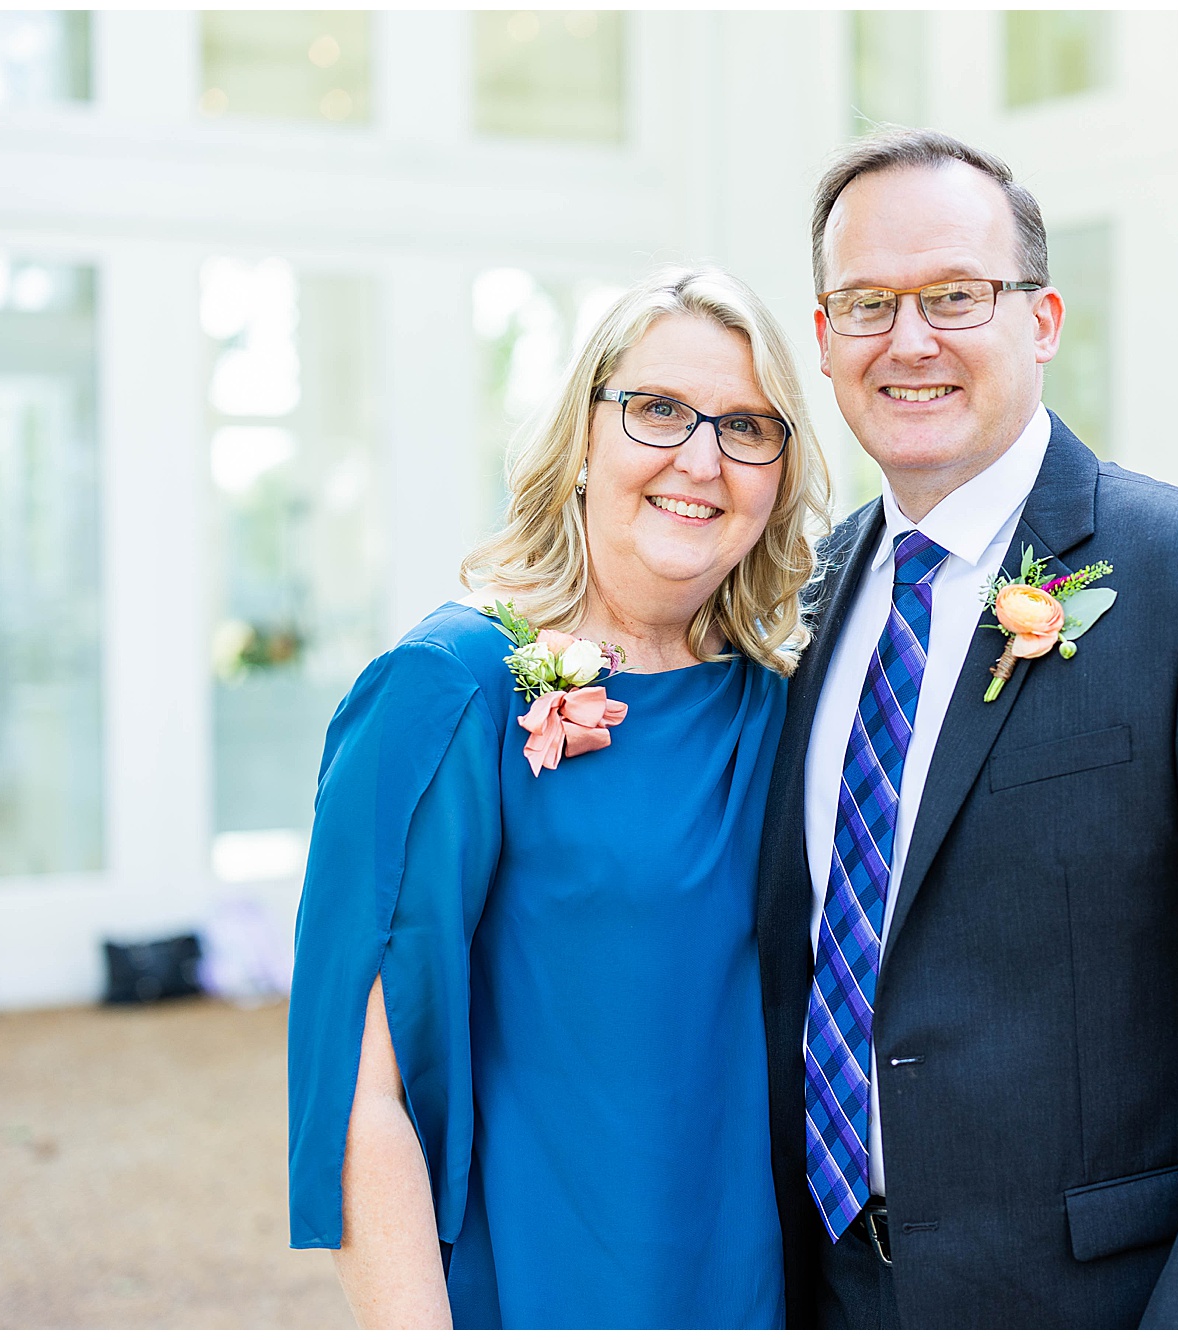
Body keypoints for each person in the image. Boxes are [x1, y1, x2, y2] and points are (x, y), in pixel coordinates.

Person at [754, 129, 1178, 1328]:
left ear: (1041, 318)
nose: (908, 339)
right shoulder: (798, 602)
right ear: (826, 337)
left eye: (954, 294)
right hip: (828, 1291)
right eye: (866, 303)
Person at [286, 266, 831, 1328]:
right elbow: (359, 1093)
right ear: (582, 434)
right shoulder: (447, 688)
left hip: (756, 1287)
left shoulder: (785, 699)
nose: (701, 460)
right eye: (658, 409)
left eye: (746, 427)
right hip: (543, 1288)